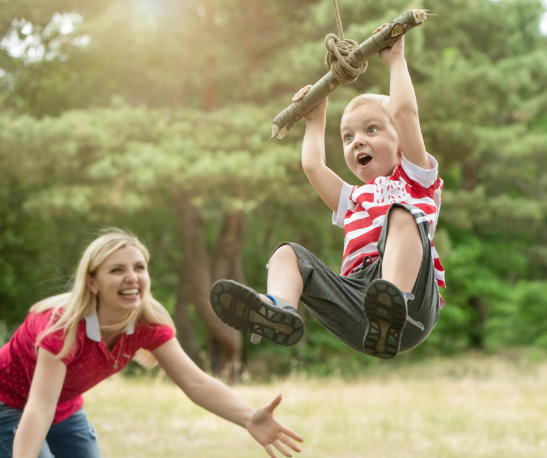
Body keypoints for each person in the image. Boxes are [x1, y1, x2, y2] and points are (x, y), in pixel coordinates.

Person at [209, 27, 445, 360]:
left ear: (402, 142)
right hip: (360, 310)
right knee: (287, 253)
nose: (358, 141)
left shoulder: (415, 178)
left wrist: (395, 60)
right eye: (348, 137)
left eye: (371, 129)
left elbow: (405, 112)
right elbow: (313, 166)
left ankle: (392, 301)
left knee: (402, 214)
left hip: (413, 306)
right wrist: (315, 118)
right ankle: (279, 308)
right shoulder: (353, 201)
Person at [0, 229, 303, 458]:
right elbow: (39, 407)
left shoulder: (146, 324)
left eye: (139, 267)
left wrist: (249, 417)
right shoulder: (62, 327)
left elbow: (196, 383)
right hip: (9, 403)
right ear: (92, 282)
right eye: (116, 270)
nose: (131, 277)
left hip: (63, 407)